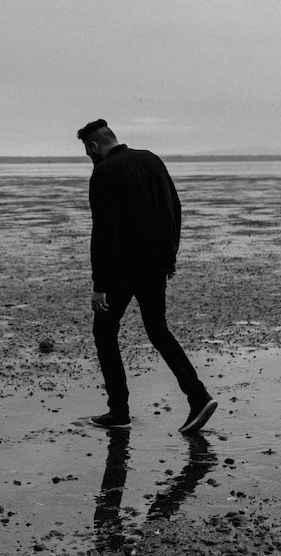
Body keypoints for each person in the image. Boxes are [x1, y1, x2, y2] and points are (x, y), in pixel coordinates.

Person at [77, 118, 216, 433]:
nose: (89, 158)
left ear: (94, 146)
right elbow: (173, 209)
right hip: (155, 265)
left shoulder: (103, 173)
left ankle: (119, 412)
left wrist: (99, 285)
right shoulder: (152, 160)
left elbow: (104, 231)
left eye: (88, 152)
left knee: (104, 333)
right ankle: (198, 395)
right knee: (158, 330)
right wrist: (170, 256)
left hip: (122, 270)